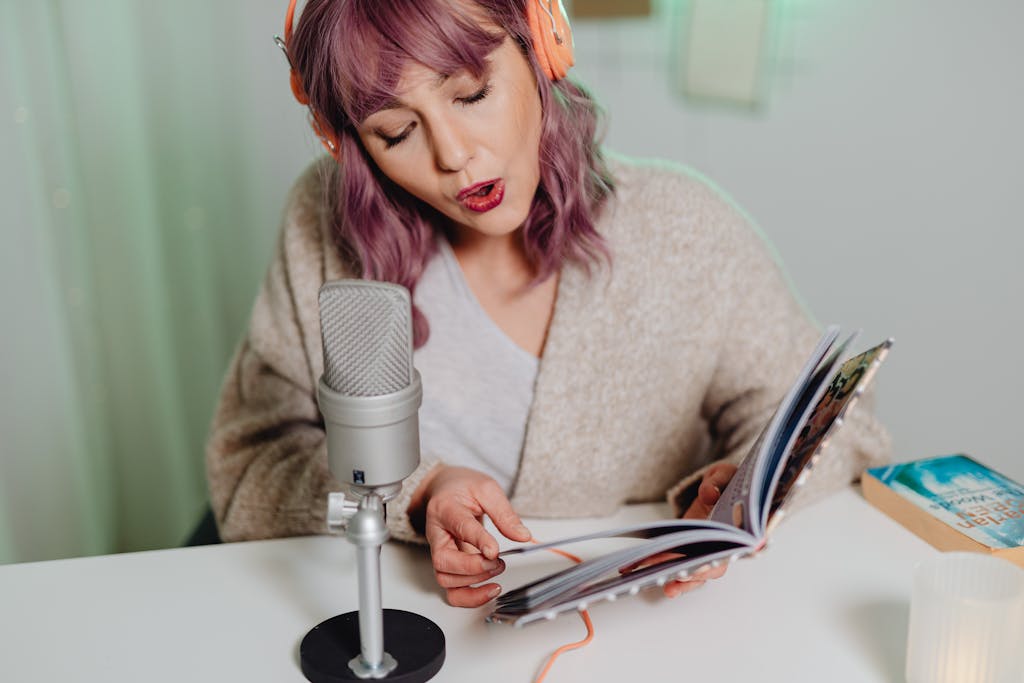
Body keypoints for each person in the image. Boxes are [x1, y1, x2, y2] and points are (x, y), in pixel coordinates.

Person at [205, 0, 891, 609]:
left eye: (471, 93)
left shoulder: (687, 229)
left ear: (542, 44)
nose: (453, 155)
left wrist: (744, 483)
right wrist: (417, 490)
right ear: (351, 143)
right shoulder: (322, 226)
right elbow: (246, 468)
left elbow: (848, 430)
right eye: (395, 132)